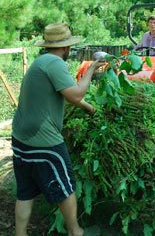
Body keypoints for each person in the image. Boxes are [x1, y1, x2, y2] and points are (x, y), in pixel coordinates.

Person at [11, 23, 103, 236]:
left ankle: (20, 234)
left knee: (25, 192)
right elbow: (76, 94)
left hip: (21, 138)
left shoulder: (41, 62)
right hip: (43, 141)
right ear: (66, 47)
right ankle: (75, 231)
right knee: (66, 186)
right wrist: (90, 69)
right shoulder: (55, 63)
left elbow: (66, 93)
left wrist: (89, 108)